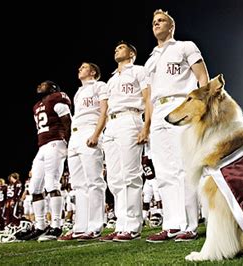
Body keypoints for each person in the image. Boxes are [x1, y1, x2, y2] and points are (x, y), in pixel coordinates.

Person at [144, 9, 209, 243]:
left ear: (171, 26)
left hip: (180, 105)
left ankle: (189, 224)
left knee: (183, 167)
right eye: (154, 22)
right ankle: (171, 225)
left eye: (161, 20)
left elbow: (202, 76)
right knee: (163, 171)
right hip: (158, 109)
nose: (156, 24)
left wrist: (201, 106)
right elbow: (149, 94)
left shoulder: (185, 46)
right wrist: (147, 123)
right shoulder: (150, 58)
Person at [99, 40, 151, 242]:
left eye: (121, 47)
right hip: (111, 124)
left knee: (130, 175)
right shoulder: (111, 79)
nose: (116, 49)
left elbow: (148, 99)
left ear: (132, 53)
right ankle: (121, 224)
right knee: (114, 178)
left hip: (130, 118)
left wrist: (145, 126)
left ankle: (133, 225)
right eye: (115, 47)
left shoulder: (138, 70)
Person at [58, 62, 108, 241]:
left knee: (94, 181)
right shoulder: (78, 92)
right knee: (78, 184)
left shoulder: (100, 86)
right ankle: (80, 227)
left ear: (93, 71)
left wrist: (97, 133)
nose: (79, 69)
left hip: (90, 131)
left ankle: (95, 226)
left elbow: (104, 111)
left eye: (83, 67)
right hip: (76, 136)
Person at [19, 80, 72, 241]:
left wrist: (69, 143)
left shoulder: (56, 98)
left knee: (52, 184)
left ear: (53, 88)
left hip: (56, 142)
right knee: (35, 188)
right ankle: (40, 226)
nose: (39, 86)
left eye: (44, 84)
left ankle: (56, 225)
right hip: (42, 146)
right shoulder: (37, 106)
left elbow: (67, 121)